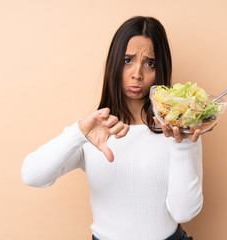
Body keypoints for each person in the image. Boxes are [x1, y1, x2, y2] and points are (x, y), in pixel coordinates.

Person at [21, 16, 204, 240]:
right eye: (127, 60)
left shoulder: (179, 130)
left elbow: (183, 211)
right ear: (114, 63)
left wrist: (182, 144)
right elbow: (32, 175)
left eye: (150, 63)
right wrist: (78, 134)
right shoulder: (93, 130)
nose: (137, 74)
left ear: (161, 70)